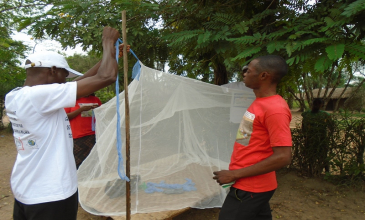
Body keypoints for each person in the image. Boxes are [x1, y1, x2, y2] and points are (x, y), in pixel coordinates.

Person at [5, 26, 127, 220]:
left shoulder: (15, 96)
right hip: (51, 196)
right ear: (52, 71)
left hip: (26, 190)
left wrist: (109, 55)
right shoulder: (40, 96)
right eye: (64, 75)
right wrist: (107, 42)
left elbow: (81, 81)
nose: (65, 81)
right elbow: (107, 77)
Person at [213, 55, 292, 220]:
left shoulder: (275, 109)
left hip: (250, 187)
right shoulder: (259, 103)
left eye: (248, 70)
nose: (244, 73)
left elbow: (283, 156)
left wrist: (235, 174)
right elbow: (248, 141)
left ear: (264, 75)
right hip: (252, 184)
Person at [65, 93, 102, 169]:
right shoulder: (71, 101)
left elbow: (102, 114)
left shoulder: (95, 99)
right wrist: (81, 109)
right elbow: (65, 117)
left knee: (93, 161)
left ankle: (92, 180)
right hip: (78, 136)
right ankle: (79, 179)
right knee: (78, 160)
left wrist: (98, 110)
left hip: (94, 134)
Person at [301, 98, 331, 174]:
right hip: (319, 138)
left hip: (314, 138)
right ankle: (325, 172)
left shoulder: (307, 114)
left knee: (313, 155)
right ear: (322, 105)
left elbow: (303, 127)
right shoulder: (325, 115)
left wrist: (304, 135)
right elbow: (331, 127)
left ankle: (313, 170)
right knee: (322, 156)